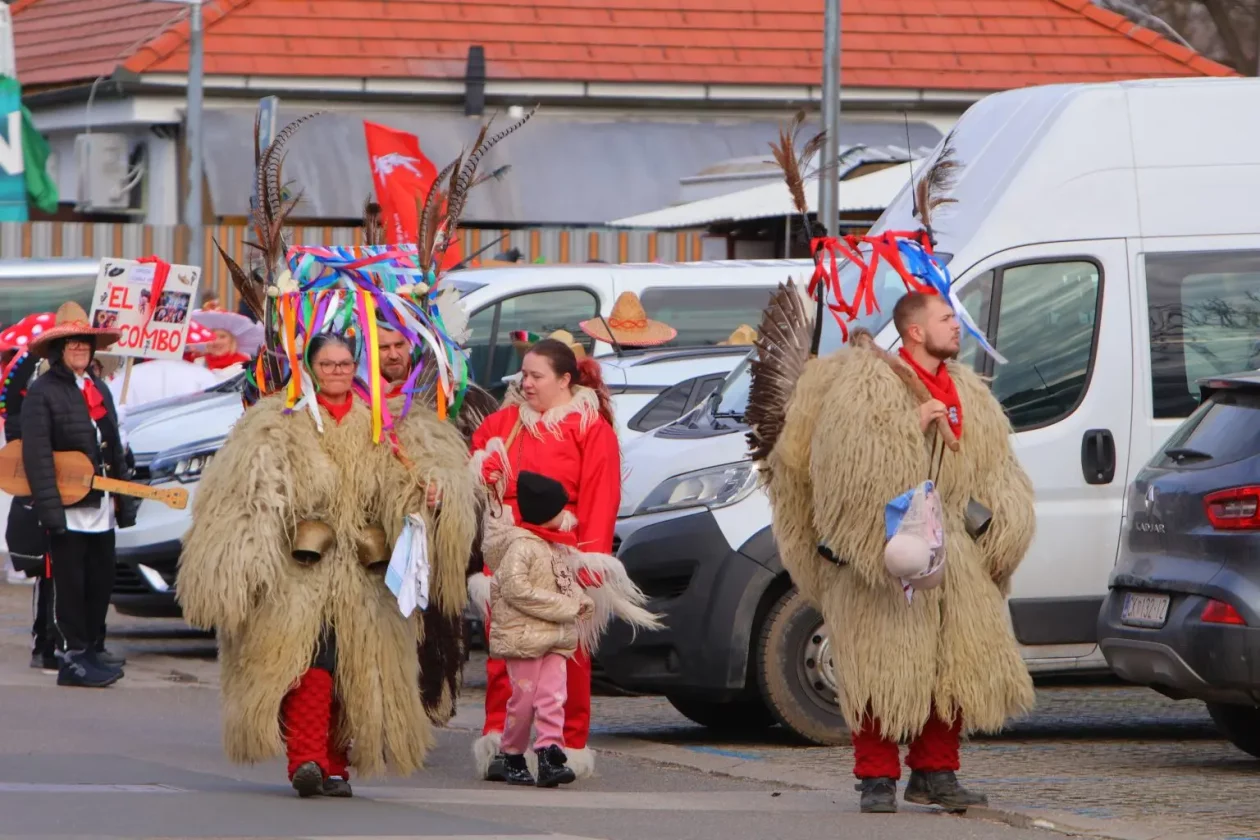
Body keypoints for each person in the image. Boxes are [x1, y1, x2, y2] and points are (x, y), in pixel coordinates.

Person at [751, 289, 1035, 814]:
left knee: (954, 665)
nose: (958, 326)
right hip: (883, 554)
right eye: (947, 318)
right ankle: (876, 778)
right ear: (915, 331)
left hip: (955, 554)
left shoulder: (969, 392)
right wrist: (912, 429)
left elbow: (996, 468)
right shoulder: (869, 388)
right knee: (880, 665)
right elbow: (848, 471)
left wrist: (1003, 532)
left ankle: (936, 772)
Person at [177, 331, 478, 797]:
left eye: (344, 364)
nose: (336, 372)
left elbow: (402, 482)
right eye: (327, 365)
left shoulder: (379, 422)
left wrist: (429, 495)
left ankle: (336, 765)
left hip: (363, 576)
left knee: (353, 668)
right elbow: (248, 491)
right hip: (298, 574)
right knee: (306, 659)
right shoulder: (280, 421)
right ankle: (307, 760)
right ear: (311, 368)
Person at [470, 337, 621, 781]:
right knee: (505, 654)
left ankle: (565, 748)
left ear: (565, 379)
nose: (526, 383)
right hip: (510, 552)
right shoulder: (505, 422)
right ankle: (503, 742)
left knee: (567, 657)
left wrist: (590, 562)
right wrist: (481, 469)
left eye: (536, 376)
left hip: (563, 555)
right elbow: (475, 461)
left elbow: (601, 497)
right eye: (524, 375)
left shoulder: (591, 429)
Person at [20, 302, 135, 688]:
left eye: (84, 343)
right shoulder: (42, 392)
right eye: (72, 344)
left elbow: (113, 445)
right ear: (59, 350)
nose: (80, 350)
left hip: (100, 503)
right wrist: (50, 511)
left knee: (99, 581)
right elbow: (36, 456)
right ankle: (72, 658)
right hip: (67, 507)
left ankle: (91, 650)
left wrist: (125, 497)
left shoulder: (98, 387)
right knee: (68, 587)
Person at [482, 471, 594, 788]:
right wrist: (566, 607)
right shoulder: (522, 548)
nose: (566, 515)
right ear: (547, 514)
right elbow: (516, 589)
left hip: (555, 637)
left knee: (552, 696)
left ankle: (548, 750)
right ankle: (513, 753)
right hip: (525, 638)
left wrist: (581, 600)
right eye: (561, 509)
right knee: (523, 699)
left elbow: (565, 584)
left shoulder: (555, 548)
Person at [1, 347, 59, 670]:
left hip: (70, 485)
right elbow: (12, 421)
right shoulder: (26, 371)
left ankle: (62, 637)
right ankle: (46, 639)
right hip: (41, 487)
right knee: (47, 567)